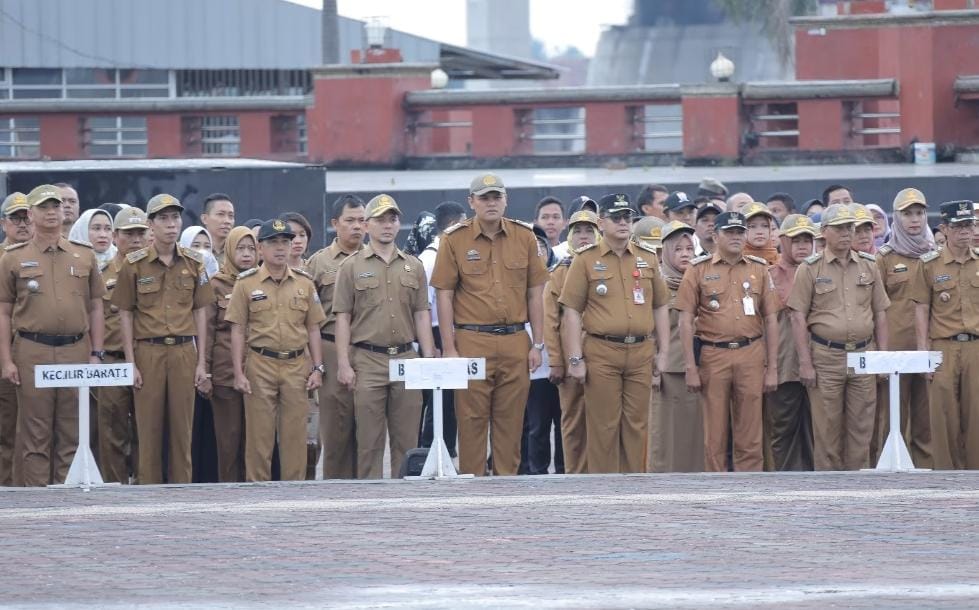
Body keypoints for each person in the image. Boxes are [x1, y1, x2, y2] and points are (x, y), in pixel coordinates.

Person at [430, 173, 548, 476]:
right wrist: (450, 348)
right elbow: (443, 295)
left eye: (497, 197)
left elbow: (536, 294)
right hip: (472, 340)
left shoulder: (525, 237)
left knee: (511, 424)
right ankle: (472, 492)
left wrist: (537, 344)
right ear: (472, 202)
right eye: (484, 198)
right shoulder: (454, 240)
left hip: (515, 340)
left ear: (506, 200)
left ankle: (505, 492)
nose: (491, 203)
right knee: (471, 423)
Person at [0, 184, 106, 486]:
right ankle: (38, 501)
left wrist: (96, 353)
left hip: (75, 349)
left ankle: (67, 497)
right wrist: (6, 361)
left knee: (72, 430)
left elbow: (96, 306)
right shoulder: (12, 257)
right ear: (30, 214)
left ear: (64, 212)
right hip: (32, 350)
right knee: (35, 434)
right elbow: (4, 312)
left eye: (55, 206)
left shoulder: (84, 255)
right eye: (43, 207)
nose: (51, 212)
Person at [559, 193, 670, 474]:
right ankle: (603, 491)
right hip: (602, 351)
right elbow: (571, 311)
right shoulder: (585, 259)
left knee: (637, 425)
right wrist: (575, 359)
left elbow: (660, 306)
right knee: (603, 425)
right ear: (601, 222)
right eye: (616, 217)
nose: (623, 223)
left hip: (641, 350)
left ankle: (634, 488)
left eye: (627, 217)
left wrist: (665, 352)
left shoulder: (646, 257)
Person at [112, 193, 212, 485]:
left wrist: (201, 363)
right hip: (148, 351)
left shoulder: (194, 262)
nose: (171, 225)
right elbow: (125, 314)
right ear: (150, 224)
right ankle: (148, 496)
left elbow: (201, 313)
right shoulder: (135, 264)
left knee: (183, 431)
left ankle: (182, 494)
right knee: (148, 431)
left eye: (175, 218)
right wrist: (131, 363)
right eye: (163, 219)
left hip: (183, 351)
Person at [333, 195, 434, 479]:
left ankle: (405, 503)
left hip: (406, 358)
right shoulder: (351, 266)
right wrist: (344, 363)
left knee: (407, 441)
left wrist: (427, 359)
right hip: (367, 359)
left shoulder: (413, 266)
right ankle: (370, 505)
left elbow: (421, 314)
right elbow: (343, 318)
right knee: (369, 442)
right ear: (367, 225)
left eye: (393, 219)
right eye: (380, 220)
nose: (388, 226)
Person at [788, 203, 890, 471]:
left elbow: (880, 312)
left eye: (850, 228)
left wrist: (882, 358)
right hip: (826, 356)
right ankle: (829, 489)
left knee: (862, 427)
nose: (847, 233)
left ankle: (858, 486)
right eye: (840, 228)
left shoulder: (869, 265)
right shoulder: (809, 269)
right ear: (824, 232)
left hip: (864, 354)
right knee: (827, 428)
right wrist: (805, 363)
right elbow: (797, 317)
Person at [678, 211, 779, 472]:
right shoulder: (698, 269)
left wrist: (773, 367)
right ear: (715, 235)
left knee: (751, 429)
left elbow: (771, 320)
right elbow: (686, 321)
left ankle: (750, 487)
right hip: (714, 354)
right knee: (715, 430)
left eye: (739, 232)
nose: (736, 237)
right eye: (729, 232)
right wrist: (690, 367)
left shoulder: (758, 268)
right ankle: (717, 487)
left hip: (751, 352)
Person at [226, 219, 325, 481]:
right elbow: (237, 330)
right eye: (273, 243)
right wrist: (238, 372)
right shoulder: (245, 283)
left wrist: (318, 367)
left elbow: (313, 328)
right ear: (260, 248)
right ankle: (258, 492)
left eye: (285, 242)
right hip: (260, 363)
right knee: (259, 437)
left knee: (295, 437)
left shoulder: (304, 283)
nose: (280, 248)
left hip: (296, 365)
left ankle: (294, 494)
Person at [911, 200, 979, 469]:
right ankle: (945, 477)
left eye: (970, 225)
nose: (966, 231)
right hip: (943, 348)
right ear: (944, 229)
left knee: (976, 415)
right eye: (959, 226)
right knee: (943, 416)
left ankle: (975, 475)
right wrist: (922, 353)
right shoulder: (929, 264)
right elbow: (921, 310)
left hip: (976, 346)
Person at [873, 188, 934, 468]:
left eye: (919, 213)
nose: (914, 220)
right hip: (895, 352)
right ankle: (893, 471)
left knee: (928, 419)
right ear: (895, 217)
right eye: (907, 214)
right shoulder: (884, 258)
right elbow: (876, 308)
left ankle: (927, 471)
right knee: (893, 418)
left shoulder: (936, 256)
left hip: (930, 348)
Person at [306, 195, 366, 479]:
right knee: (335, 429)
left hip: (368, 349)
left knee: (367, 429)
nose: (357, 227)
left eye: (362, 221)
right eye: (350, 221)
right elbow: (306, 317)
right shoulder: (319, 263)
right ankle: (334, 491)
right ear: (335, 224)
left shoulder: (377, 258)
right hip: (330, 348)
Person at [543, 209, 599, 475]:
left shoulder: (607, 265)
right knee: (573, 421)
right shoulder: (560, 272)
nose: (584, 237)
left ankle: (603, 474)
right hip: (569, 360)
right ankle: (576, 475)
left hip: (603, 355)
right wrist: (555, 360)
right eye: (578, 232)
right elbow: (551, 321)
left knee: (603, 421)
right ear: (570, 236)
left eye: (590, 231)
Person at [97, 207, 149, 484]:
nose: (136, 240)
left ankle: (144, 487)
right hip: (113, 361)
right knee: (112, 432)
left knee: (146, 430)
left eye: (141, 233)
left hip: (148, 358)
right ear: (116, 236)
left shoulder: (154, 270)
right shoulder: (102, 274)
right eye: (129, 234)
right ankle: (114, 488)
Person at [651, 220, 704, 472]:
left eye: (689, 249)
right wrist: (653, 367)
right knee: (667, 435)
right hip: (669, 370)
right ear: (666, 252)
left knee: (697, 435)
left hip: (701, 369)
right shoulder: (656, 284)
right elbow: (648, 330)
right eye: (678, 249)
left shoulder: (703, 281)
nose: (685, 254)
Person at [765, 214, 817, 471]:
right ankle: (784, 476)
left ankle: (815, 476)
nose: (802, 246)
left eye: (807, 240)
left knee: (816, 426)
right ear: (783, 242)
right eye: (796, 240)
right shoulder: (769, 275)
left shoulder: (820, 271)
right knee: (782, 425)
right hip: (784, 362)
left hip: (819, 360)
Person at [206, 226, 257, 482]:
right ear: (229, 250)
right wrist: (204, 370)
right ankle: (228, 494)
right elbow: (207, 331)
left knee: (255, 443)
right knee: (228, 441)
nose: (247, 254)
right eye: (240, 248)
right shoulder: (217, 283)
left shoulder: (261, 281)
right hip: (225, 374)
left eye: (251, 248)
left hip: (259, 373)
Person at [417, 201, 466, 458]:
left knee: (452, 401)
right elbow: (422, 307)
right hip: (435, 333)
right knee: (439, 401)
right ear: (452, 225)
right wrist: (431, 346)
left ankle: (448, 450)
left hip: (455, 331)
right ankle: (431, 452)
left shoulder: (454, 254)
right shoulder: (428, 259)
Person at [521, 227, 563, 475]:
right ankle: (535, 471)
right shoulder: (518, 281)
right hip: (534, 368)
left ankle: (563, 469)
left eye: (542, 247)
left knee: (562, 422)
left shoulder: (561, 275)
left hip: (559, 364)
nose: (538, 252)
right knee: (536, 425)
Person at [0, 193, 31, 485]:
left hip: (33, 353)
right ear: (3, 223)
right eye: (16, 218)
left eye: (26, 217)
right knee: (7, 428)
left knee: (34, 429)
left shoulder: (42, 256)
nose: (22, 224)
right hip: (5, 355)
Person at [199, 193, 236, 266]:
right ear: (204, 219)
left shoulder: (237, 251)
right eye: (220, 214)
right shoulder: (192, 249)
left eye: (231, 216)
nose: (227, 221)